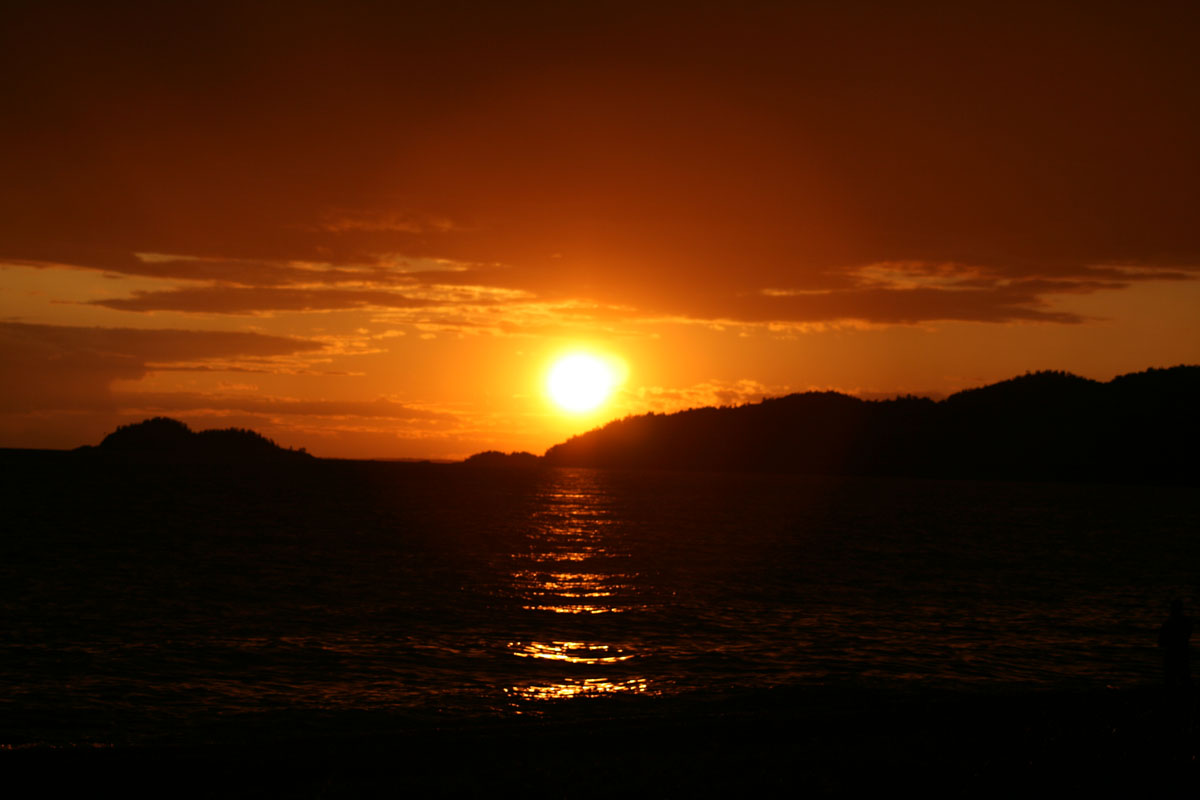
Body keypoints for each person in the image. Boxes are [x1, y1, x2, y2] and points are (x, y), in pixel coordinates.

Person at [1158, 598, 1192, 689]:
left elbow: (1161, 642)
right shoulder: (1187, 622)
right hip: (1183, 652)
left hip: (1171, 653)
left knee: (1170, 680)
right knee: (1185, 678)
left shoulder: (1168, 623)